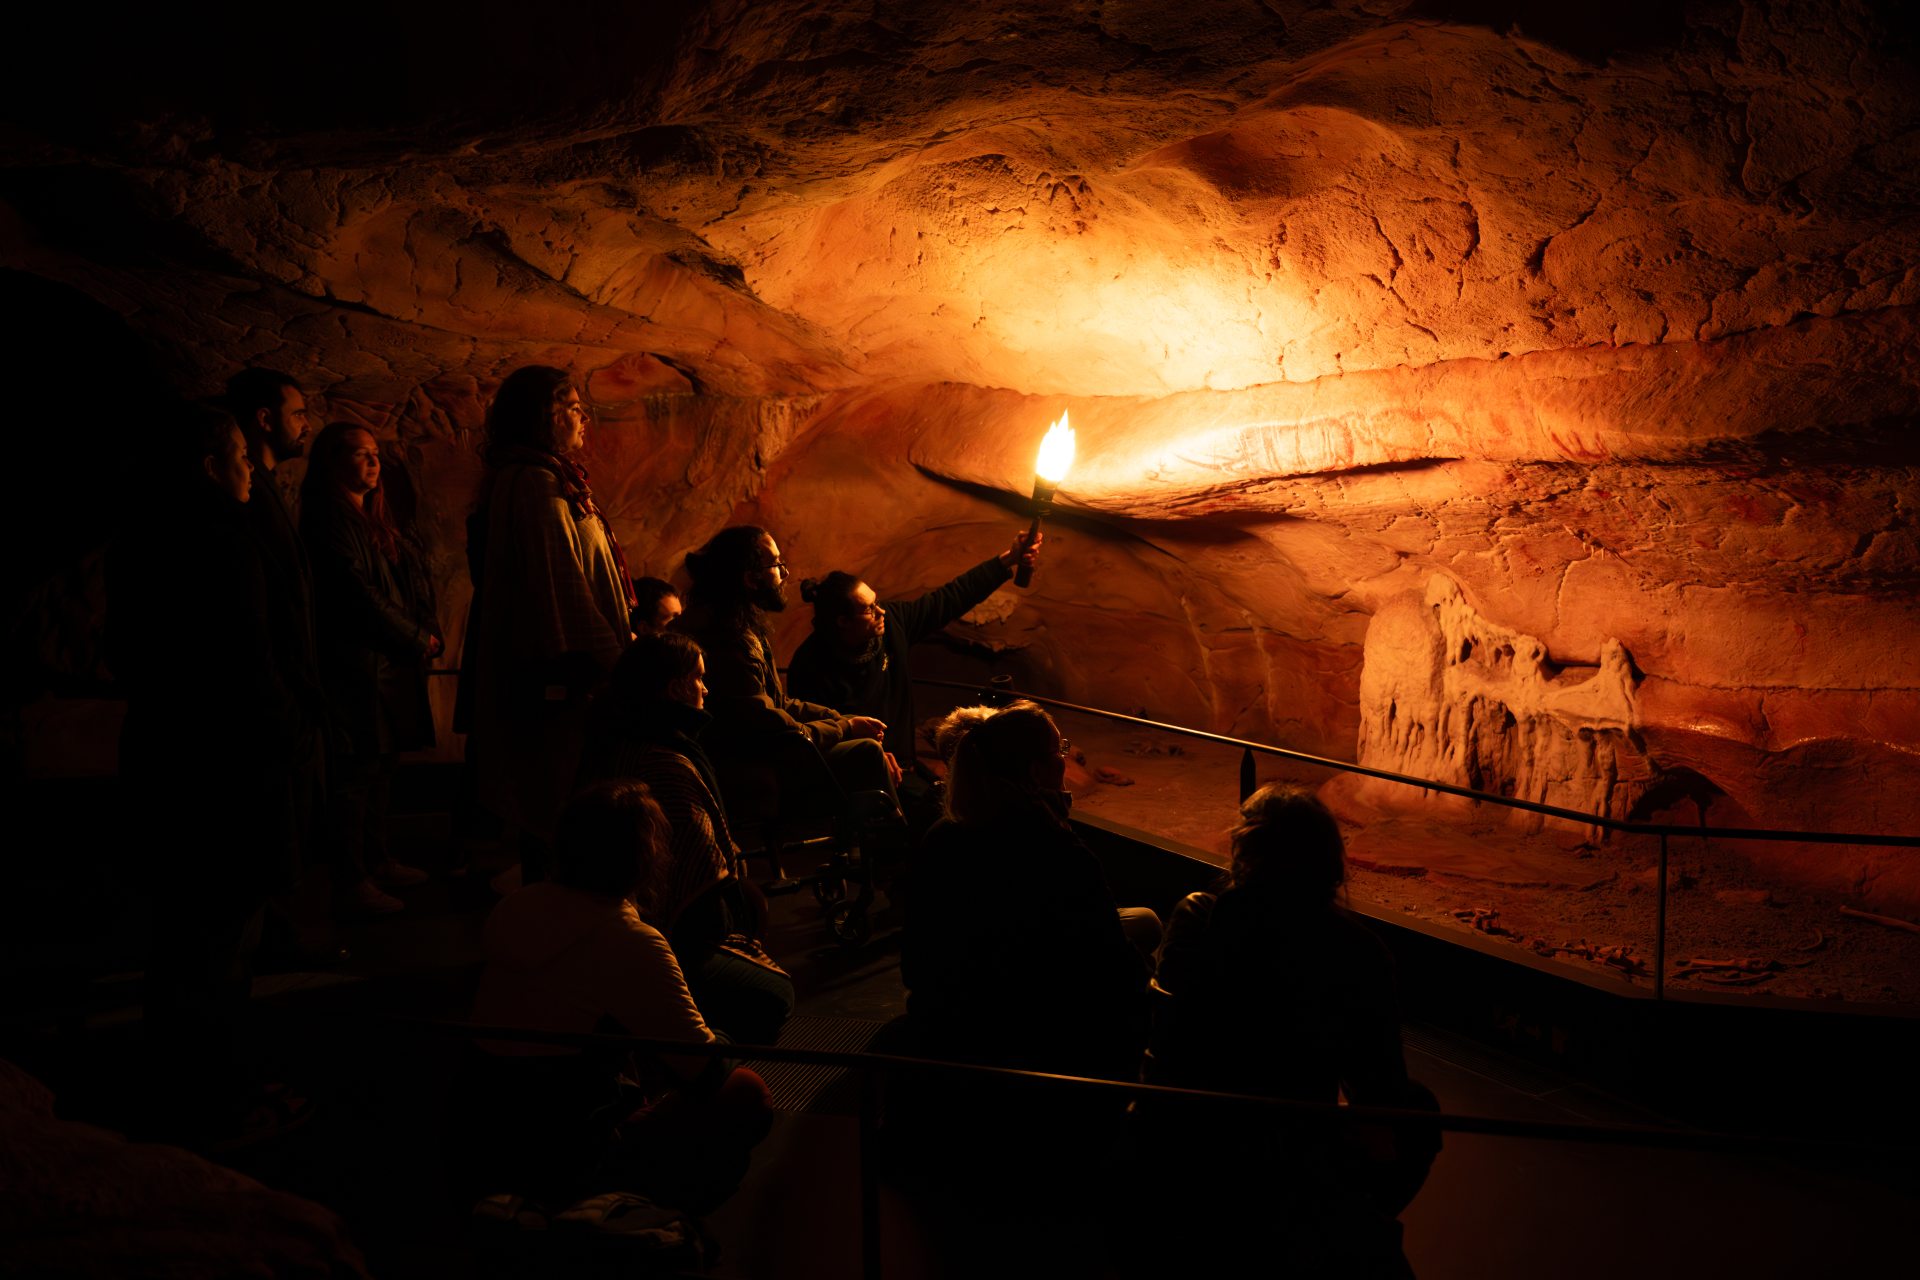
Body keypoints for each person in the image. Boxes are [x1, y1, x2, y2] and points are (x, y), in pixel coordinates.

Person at [107, 404, 311, 1146]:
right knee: (223, 946)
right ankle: (216, 1103)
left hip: (168, 764)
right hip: (228, 776)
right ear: (208, 467)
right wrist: (289, 728)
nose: (251, 466)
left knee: (181, 943)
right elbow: (249, 658)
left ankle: (179, 1089)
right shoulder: (224, 542)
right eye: (238, 455)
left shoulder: (140, 541)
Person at [1136, 783, 1439, 1274]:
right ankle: (1339, 1229)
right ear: (1329, 862)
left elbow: (1164, 1039)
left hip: (1177, 1142)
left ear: (1243, 853)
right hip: (1289, 1156)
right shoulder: (1357, 951)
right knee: (1419, 1110)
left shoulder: (1198, 918)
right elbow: (1376, 1088)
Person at [466, 781, 773, 1213]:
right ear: (647, 857)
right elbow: (703, 1070)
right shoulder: (627, 938)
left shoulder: (515, 905)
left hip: (482, 1130)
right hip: (568, 1147)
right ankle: (655, 1208)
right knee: (746, 1091)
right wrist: (721, 1035)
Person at [455, 367, 636, 880]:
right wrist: (616, 662)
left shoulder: (547, 477)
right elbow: (562, 589)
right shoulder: (535, 483)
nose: (582, 418)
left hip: (569, 671)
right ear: (546, 415)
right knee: (559, 793)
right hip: (564, 677)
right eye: (573, 406)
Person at [580, 631, 794, 1044]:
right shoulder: (665, 760)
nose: (706, 688)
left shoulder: (619, 739)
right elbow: (693, 869)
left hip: (617, 922)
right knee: (776, 997)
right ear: (677, 687)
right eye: (699, 678)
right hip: (662, 932)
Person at [301, 422, 441, 914]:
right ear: (332, 461)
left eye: (375, 453)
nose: (373, 462)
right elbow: (355, 593)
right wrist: (414, 636)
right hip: (355, 664)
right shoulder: (329, 520)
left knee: (381, 763)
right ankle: (351, 877)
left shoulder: (370, 518)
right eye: (361, 454)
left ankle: (376, 859)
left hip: (383, 663)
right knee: (356, 771)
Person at [671, 525, 892, 821]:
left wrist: (841, 720)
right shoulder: (729, 641)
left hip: (761, 751)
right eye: (776, 564)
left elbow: (778, 703)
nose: (785, 573)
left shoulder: (743, 626)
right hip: (748, 764)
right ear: (751, 578)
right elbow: (774, 730)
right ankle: (887, 849)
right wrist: (846, 729)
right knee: (866, 752)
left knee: (860, 743)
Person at [786, 529, 1040, 779]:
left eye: (877, 602)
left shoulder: (894, 624)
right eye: (868, 609)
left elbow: (951, 598)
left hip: (905, 766)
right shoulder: (811, 665)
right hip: (855, 776)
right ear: (843, 621)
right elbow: (815, 739)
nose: (881, 612)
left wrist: (1009, 559)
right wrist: (868, 754)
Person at [224, 368, 331, 958]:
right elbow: (260, 618)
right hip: (270, 708)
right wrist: (288, 707)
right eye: (296, 414)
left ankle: (271, 936)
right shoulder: (245, 503)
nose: (305, 424)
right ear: (264, 420)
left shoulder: (262, 492)